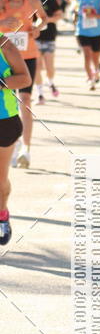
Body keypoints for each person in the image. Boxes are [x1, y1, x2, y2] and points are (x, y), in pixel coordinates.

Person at [0, 0, 47, 169]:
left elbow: (43, 19)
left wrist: (37, 28)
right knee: (10, 100)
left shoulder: (33, 1)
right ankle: (12, 139)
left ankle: (25, 148)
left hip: (27, 55)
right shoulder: (0, 2)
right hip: (5, 57)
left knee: (26, 98)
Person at [0, 32, 31, 244]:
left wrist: (1, 82)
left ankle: (1, 214)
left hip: (4, 121)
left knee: (0, 180)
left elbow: (25, 78)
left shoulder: (6, 46)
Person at [28, 0, 62, 102]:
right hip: (33, 38)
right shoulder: (27, 0)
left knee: (49, 66)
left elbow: (60, 15)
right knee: (37, 66)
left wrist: (46, 20)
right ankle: (40, 93)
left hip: (49, 36)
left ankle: (51, 82)